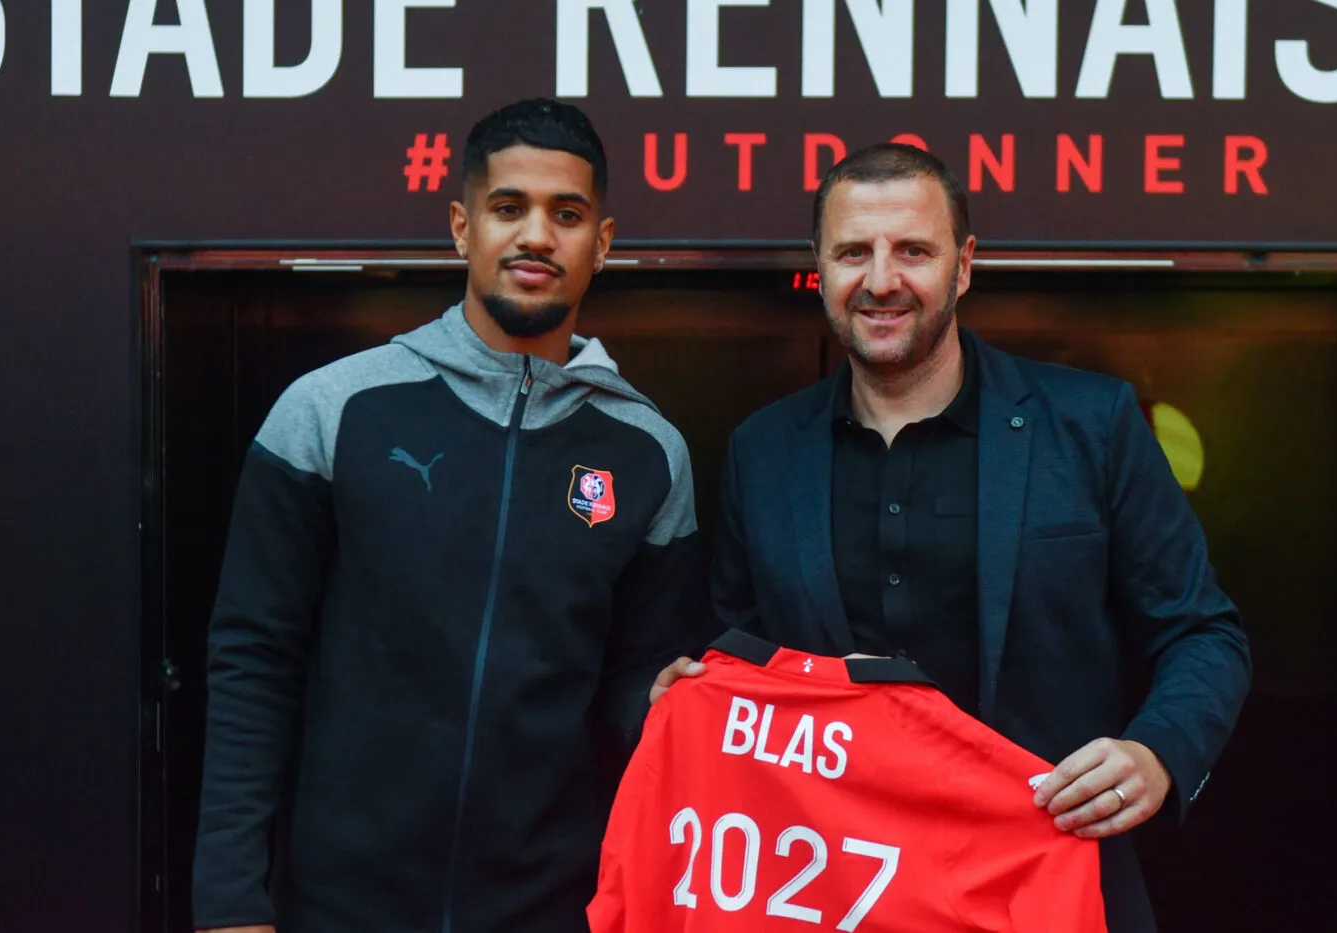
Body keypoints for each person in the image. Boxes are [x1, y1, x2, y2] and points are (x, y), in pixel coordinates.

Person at [697, 142, 1252, 932]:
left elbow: (1203, 633)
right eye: (853, 252)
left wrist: (1157, 753)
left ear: (962, 266)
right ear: (819, 267)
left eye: (913, 251)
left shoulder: (1092, 425)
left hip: (1050, 881)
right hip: (833, 894)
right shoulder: (762, 451)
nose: (880, 280)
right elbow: (736, 663)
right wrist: (693, 687)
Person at [192, 98, 708, 933]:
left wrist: (661, 701)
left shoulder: (651, 452)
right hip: (341, 903)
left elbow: (634, 683)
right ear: (463, 228)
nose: (536, 236)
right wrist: (229, 900)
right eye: (509, 207)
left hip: (551, 907)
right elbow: (254, 659)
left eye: (566, 214)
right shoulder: (333, 410)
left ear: (602, 242)